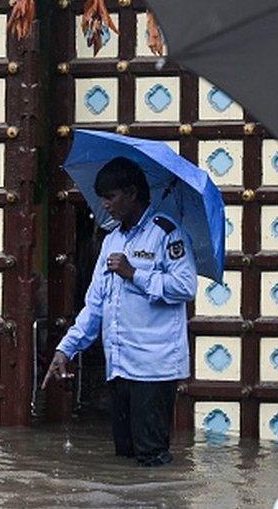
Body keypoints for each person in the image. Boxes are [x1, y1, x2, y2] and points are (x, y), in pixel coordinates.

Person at [42, 157, 197, 467]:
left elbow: (185, 287)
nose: (105, 204)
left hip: (154, 368)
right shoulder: (111, 240)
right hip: (120, 366)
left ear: (132, 193)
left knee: (152, 457)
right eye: (103, 197)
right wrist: (65, 349)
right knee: (125, 458)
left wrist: (135, 274)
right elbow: (95, 305)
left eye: (111, 196)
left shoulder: (167, 233)